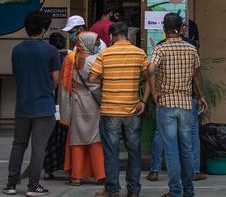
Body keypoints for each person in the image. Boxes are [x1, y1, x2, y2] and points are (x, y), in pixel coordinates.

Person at [147, 13, 208, 197]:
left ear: (164, 29)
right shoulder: (191, 48)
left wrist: (154, 91)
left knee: (172, 150)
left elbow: (150, 70)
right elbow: (197, 75)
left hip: (166, 103)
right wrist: (201, 95)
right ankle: (189, 190)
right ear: (181, 27)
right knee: (186, 148)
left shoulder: (161, 48)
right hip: (186, 103)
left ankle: (175, 191)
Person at [88, 22, 150, 197]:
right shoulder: (139, 53)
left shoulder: (105, 54)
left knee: (111, 152)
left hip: (110, 110)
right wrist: (143, 101)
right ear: (127, 35)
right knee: (134, 151)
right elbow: (150, 78)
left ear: (112, 36)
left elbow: (92, 78)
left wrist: (108, 78)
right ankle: (134, 191)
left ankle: (112, 190)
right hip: (132, 110)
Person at [3, 12, 60, 196]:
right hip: (43, 104)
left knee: (18, 144)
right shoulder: (51, 51)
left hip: (22, 104)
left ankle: (11, 184)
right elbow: (56, 80)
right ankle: (33, 185)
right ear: (43, 29)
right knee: (38, 146)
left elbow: (16, 73)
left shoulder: (17, 50)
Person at [59, 32, 105, 186]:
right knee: (95, 139)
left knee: (77, 139)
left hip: (76, 103)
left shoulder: (70, 58)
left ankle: (76, 176)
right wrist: (102, 102)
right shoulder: (95, 60)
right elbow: (97, 86)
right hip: (93, 104)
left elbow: (65, 84)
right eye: (96, 41)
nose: (97, 44)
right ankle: (100, 175)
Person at [42, 32, 70, 180]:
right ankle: (68, 167)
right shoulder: (72, 57)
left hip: (51, 101)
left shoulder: (48, 57)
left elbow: (53, 79)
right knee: (67, 135)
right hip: (68, 102)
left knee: (51, 135)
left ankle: (48, 169)